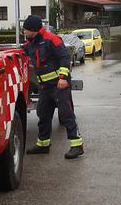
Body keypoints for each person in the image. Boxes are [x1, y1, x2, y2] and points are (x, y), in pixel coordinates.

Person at [21, 15, 83, 159]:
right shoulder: (31, 44)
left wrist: (63, 78)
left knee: (65, 114)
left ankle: (77, 145)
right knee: (43, 114)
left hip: (59, 85)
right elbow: (22, 52)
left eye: (25, 30)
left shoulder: (51, 39)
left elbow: (64, 58)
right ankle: (43, 145)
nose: (24, 32)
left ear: (33, 30)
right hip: (45, 87)